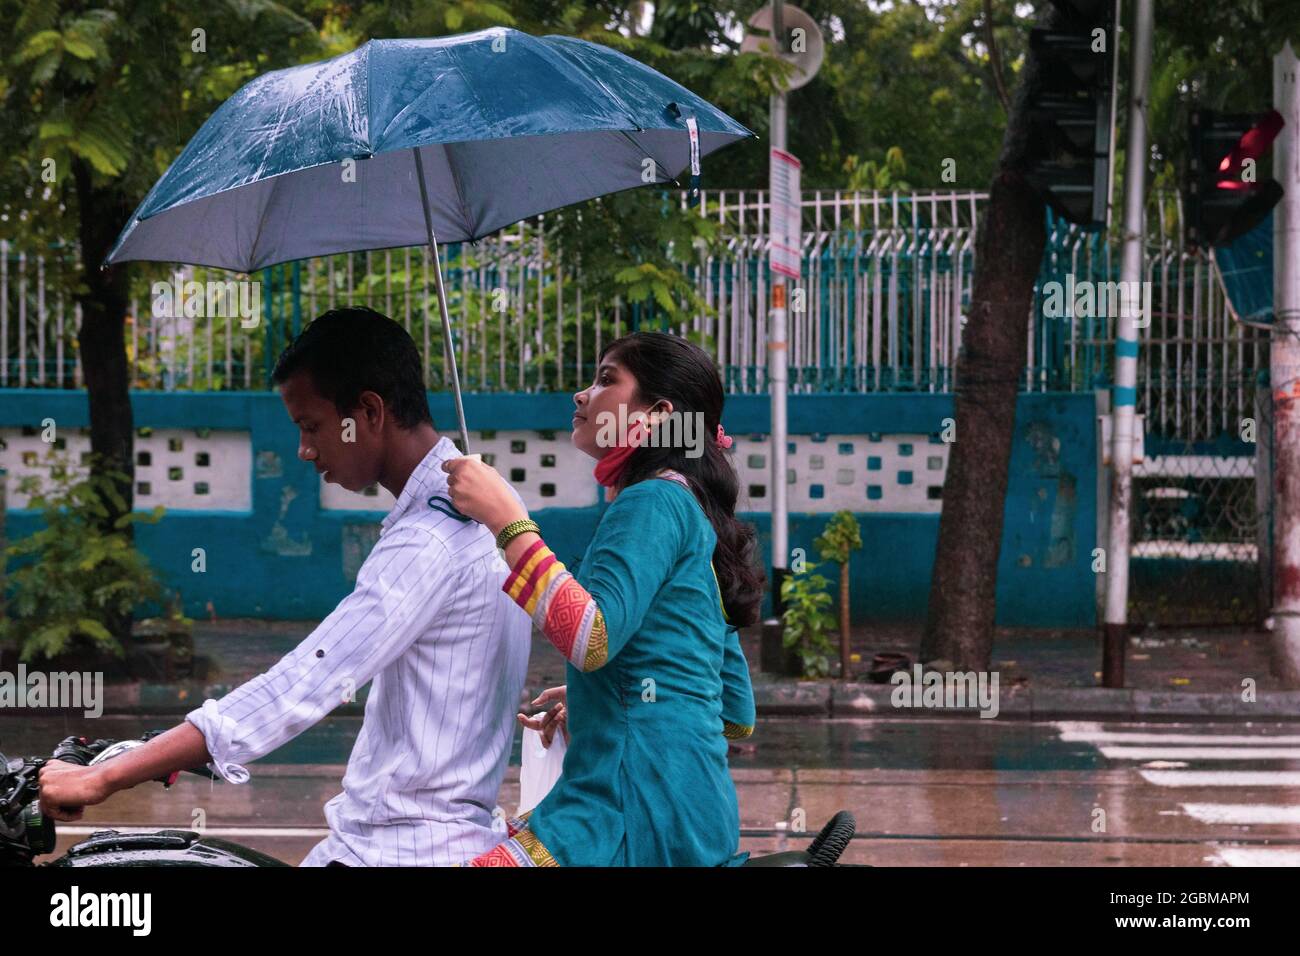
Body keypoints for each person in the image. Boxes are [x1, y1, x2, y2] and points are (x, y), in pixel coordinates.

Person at [38, 307, 532, 867]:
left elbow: (305, 681)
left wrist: (102, 780)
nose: (304, 449)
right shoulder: (487, 510)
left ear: (367, 411)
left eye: (310, 426)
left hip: (396, 850)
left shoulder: (427, 542)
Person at [443, 331, 762, 867]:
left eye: (606, 379)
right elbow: (734, 712)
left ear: (656, 414)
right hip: (696, 809)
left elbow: (592, 636)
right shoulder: (692, 506)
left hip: (627, 805)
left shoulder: (652, 502)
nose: (582, 394)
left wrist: (506, 519)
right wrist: (606, 698)